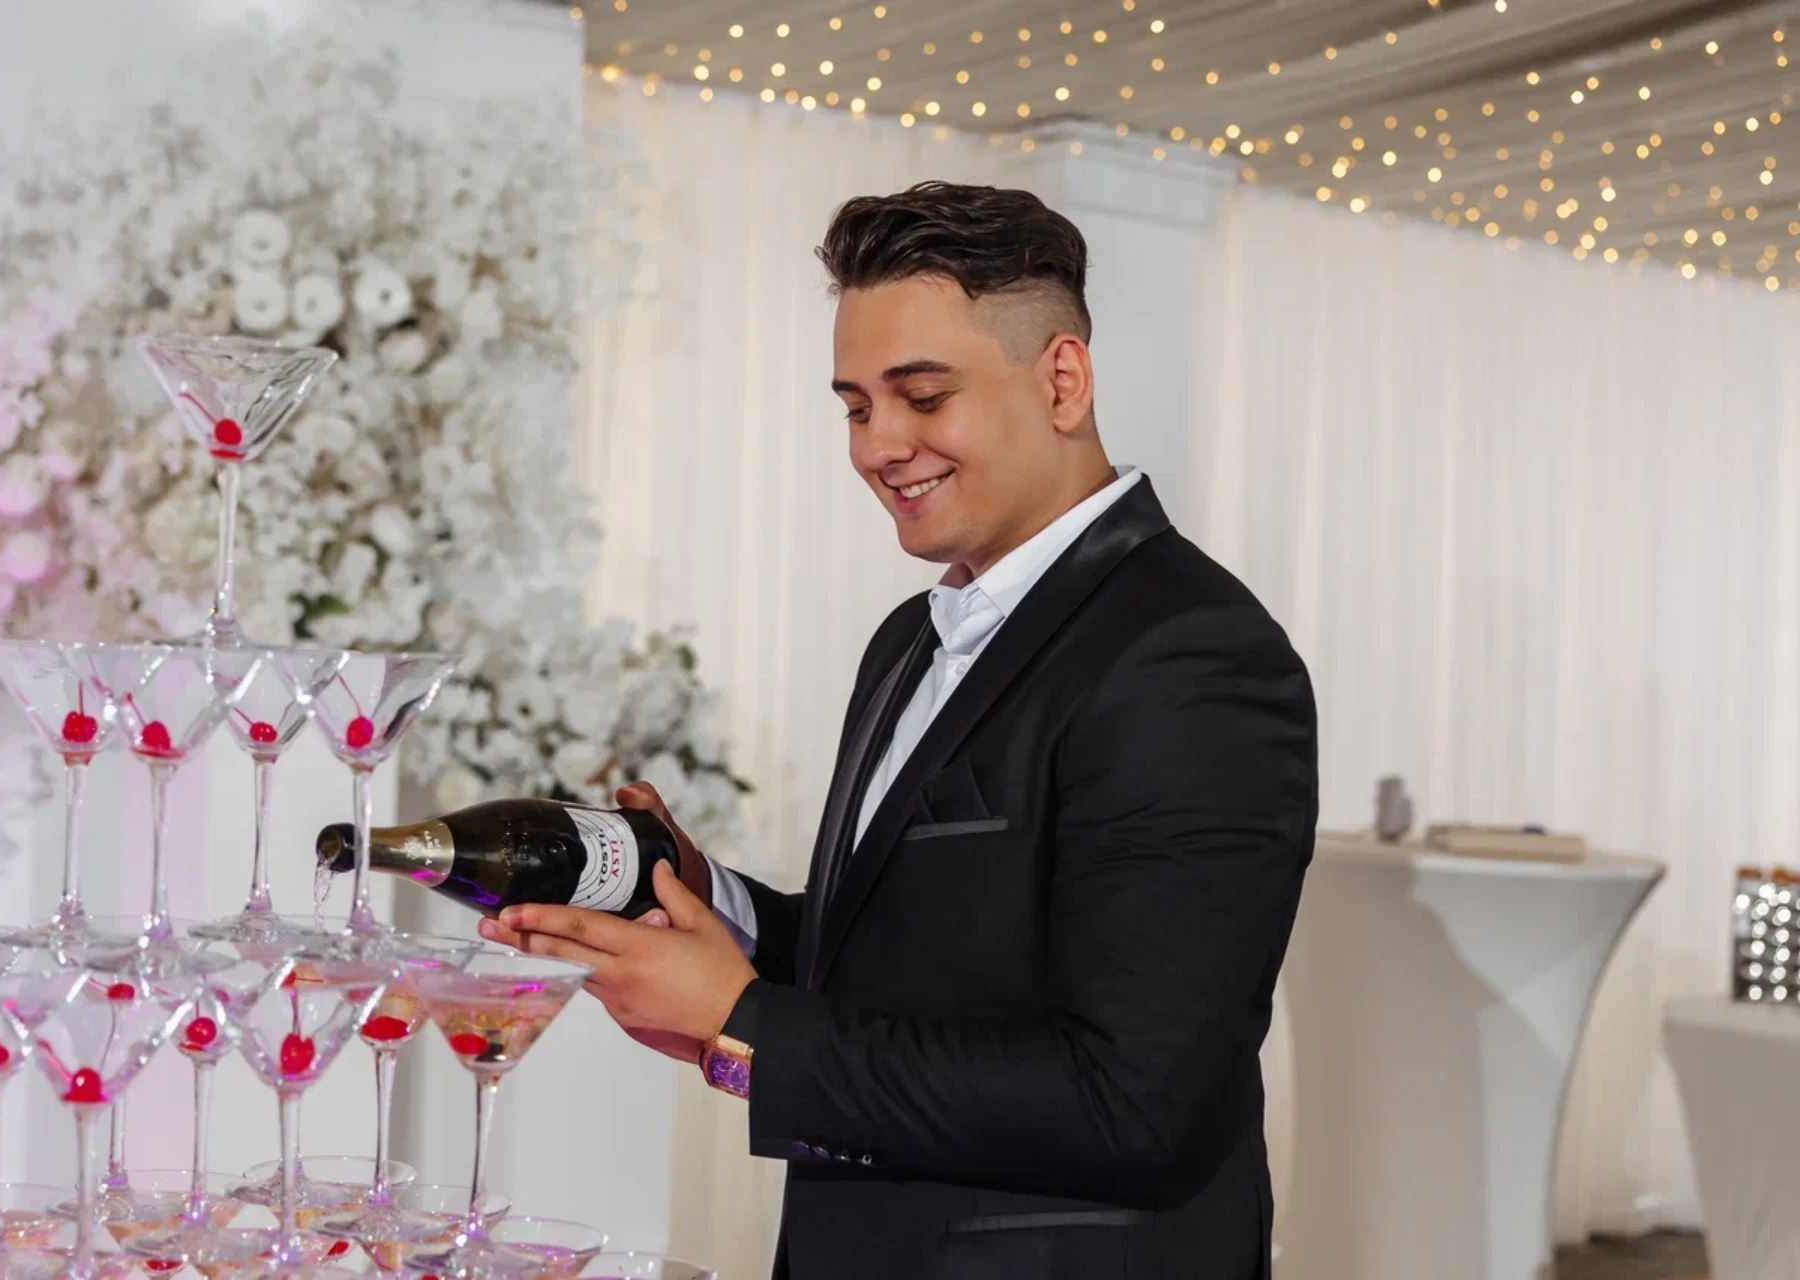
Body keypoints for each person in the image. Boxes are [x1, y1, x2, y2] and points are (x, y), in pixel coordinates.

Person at [480, 180, 1318, 1279]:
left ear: (1062, 380)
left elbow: (1136, 1101)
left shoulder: (1190, 653)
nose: (880, 445)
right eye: (855, 407)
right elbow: (906, 970)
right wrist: (708, 898)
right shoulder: (907, 642)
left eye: (922, 396)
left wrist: (744, 1023)